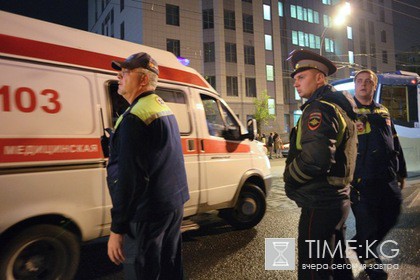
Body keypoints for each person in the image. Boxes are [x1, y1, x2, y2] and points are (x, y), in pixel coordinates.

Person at [106, 52, 190, 279]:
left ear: (143, 80)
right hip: (171, 205)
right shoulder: (161, 107)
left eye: (125, 72)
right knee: (169, 268)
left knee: (143, 272)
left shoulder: (135, 117)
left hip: (147, 212)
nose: (118, 76)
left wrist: (117, 228)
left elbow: (130, 179)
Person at [283, 49, 358, 280]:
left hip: (320, 202)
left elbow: (316, 160)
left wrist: (289, 178)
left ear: (319, 78)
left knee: (313, 270)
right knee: (337, 264)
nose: (296, 83)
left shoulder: (319, 108)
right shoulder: (338, 106)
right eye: (294, 79)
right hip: (338, 198)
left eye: (301, 77)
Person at [351, 69, 407, 279]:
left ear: (374, 86)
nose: (364, 85)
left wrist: (401, 171)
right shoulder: (349, 111)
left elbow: (395, 141)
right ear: (355, 85)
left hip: (387, 176)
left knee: (393, 213)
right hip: (361, 180)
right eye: (360, 81)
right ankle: (370, 261)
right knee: (367, 223)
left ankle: (362, 244)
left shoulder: (383, 110)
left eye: (368, 82)